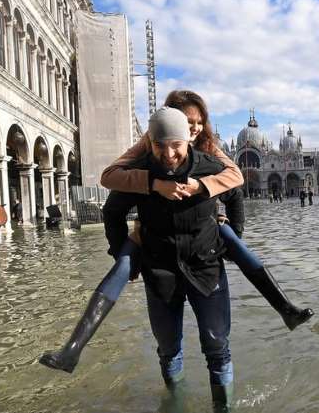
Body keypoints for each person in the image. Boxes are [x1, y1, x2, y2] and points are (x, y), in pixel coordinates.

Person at [39, 92, 312, 375]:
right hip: (158, 257)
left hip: (204, 252)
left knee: (219, 342)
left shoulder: (208, 152)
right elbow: (110, 186)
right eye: (186, 121)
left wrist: (205, 192)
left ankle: (285, 308)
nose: (191, 128)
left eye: (197, 122)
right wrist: (153, 185)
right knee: (162, 338)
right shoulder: (146, 152)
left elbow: (235, 182)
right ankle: (73, 349)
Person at [100, 108, 238, 410]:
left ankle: (223, 408)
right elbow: (112, 212)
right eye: (160, 145)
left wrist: (232, 239)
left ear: (188, 139)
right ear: (150, 143)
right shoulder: (139, 173)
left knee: (217, 346)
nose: (169, 153)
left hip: (207, 267)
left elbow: (235, 191)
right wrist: (122, 255)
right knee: (168, 348)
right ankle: (175, 405)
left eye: (175, 144)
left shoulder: (208, 166)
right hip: (159, 270)